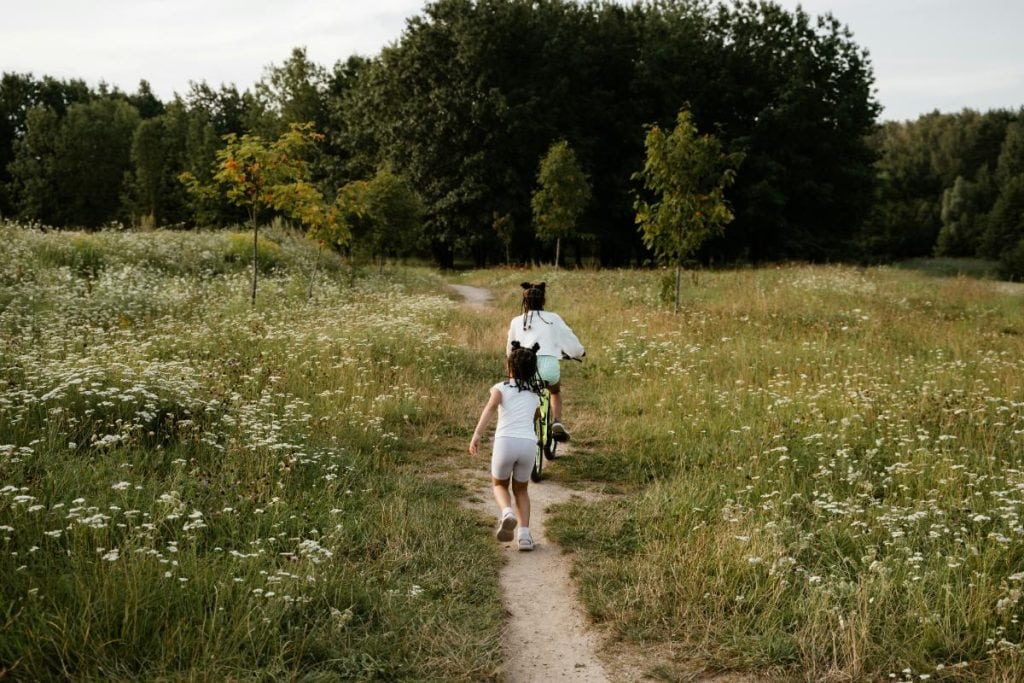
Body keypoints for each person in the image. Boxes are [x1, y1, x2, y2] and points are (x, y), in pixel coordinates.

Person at [469, 341, 543, 551]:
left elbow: (491, 407)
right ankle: (525, 537)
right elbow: (536, 416)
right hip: (528, 445)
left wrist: (477, 434)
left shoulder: (500, 388)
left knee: (500, 485)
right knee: (522, 490)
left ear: (509, 367)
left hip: (505, 443)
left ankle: (507, 513)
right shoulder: (535, 395)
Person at [506, 281, 584, 442]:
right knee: (554, 391)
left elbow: (510, 350)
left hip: (523, 366)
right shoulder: (553, 318)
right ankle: (556, 422)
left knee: (529, 394)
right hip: (549, 367)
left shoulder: (516, 321)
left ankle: (526, 428)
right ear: (543, 300)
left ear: (525, 301)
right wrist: (579, 352)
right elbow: (568, 338)